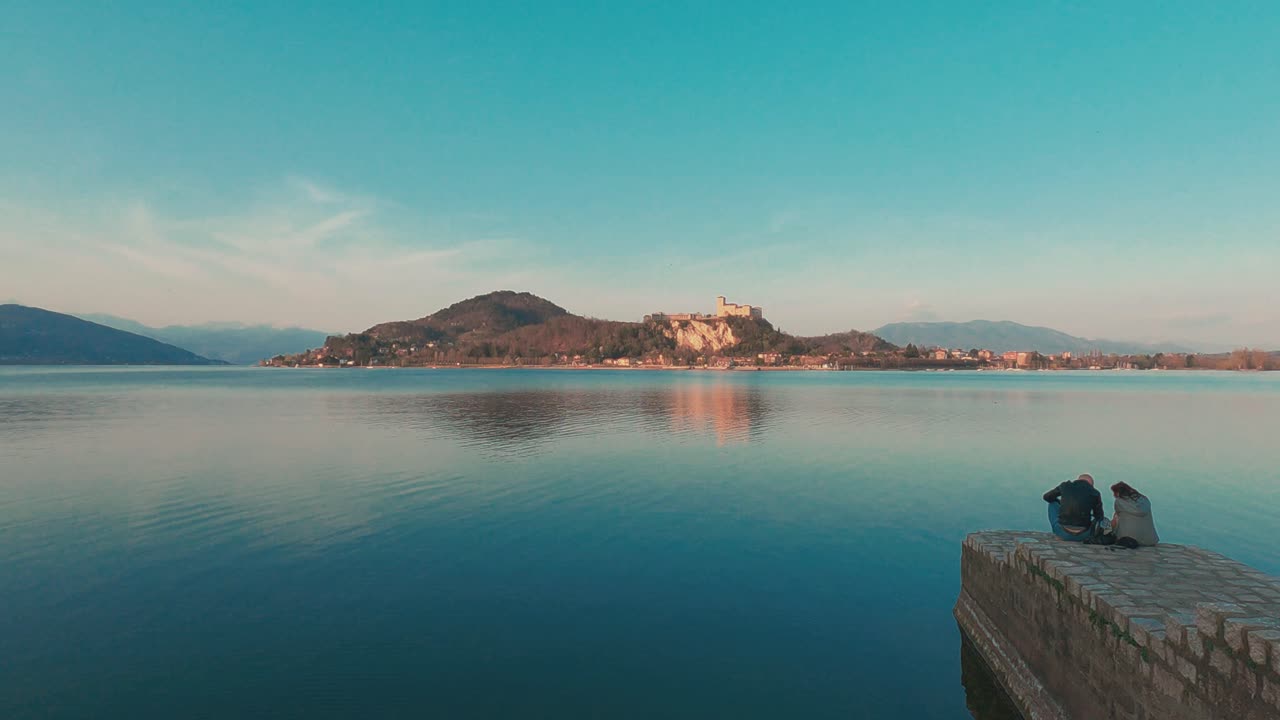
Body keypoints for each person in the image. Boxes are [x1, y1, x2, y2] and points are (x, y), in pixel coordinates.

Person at [1043, 473, 1105, 542]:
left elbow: (1046, 497)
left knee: (1052, 503)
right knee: (1098, 520)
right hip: (1084, 535)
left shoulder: (1065, 486)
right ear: (1091, 485)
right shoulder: (1095, 493)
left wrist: (1060, 502)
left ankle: (1058, 534)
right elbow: (1099, 517)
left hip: (1063, 533)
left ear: (1078, 480)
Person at [1110, 481, 1159, 546]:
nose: (1114, 495)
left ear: (1118, 493)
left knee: (1116, 516)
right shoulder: (1144, 499)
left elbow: (1116, 518)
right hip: (1149, 540)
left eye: (1114, 493)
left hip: (1128, 539)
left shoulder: (1119, 502)